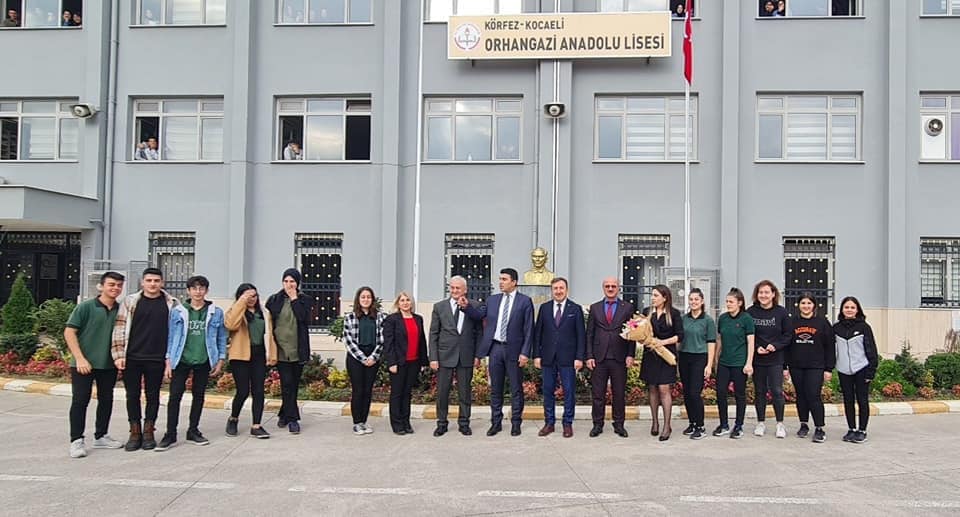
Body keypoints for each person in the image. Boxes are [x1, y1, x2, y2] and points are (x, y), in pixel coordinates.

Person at [112, 267, 180, 451]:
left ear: (162, 283)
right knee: (132, 395)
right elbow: (120, 328)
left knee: (153, 395)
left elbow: (176, 334)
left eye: (156, 281)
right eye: (149, 280)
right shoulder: (130, 301)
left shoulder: (172, 303)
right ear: (142, 282)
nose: (153, 284)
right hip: (132, 357)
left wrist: (170, 360)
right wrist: (119, 355)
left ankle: (149, 431)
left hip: (157, 358)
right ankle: (134, 432)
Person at [156, 275, 227, 451]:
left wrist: (220, 359)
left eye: (201, 288)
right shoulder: (178, 311)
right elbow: (171, 336)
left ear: (206, 291)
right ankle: (170, 433)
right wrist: (168, 361)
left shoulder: (215, 312)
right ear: (188, 291)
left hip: (204, 359)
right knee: (175, 396)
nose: (198, 292)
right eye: (194, 288)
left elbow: (221, 337)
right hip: (182, 359)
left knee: (199, 395)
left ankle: (193, 430)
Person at [463, 268, 534, 437]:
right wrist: (466, 307)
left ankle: (516, 423)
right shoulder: (493, 300)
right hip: (495, 348)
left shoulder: (524, 301)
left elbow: (529, 328)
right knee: (496, 388)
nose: (501, 282)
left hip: (514, 350)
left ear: (514, 282)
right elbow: (479, 315)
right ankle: (496, 423)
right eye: (500, 279)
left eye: (504, 279)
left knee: (516, 389)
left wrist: (525, 352)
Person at [65, 271, 126, 458]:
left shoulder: (121, 310)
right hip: (83, 363)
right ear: (101, 286)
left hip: (108, 364)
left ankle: (101, 436)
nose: (115, 288)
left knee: (106, 400)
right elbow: (69, 332)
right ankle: (76, 440)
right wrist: (80, 358)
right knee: (80, 400)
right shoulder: (86, 307)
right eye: (111, 284)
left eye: (119, 285)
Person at [428, 275, 481, 437]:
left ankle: (464, 423)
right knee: (442, 392)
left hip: (466, 356)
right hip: (445, 356)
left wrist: (478, 355)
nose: (454, 290)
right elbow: (433, 333)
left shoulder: (474, 306)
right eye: (452, 287)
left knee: (464, 392)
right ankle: (441, 423)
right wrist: (433, 357)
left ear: (465, 290)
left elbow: (479, 333)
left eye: (458, 288)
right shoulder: (439, 307)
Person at [532, 277, 585, 438]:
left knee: (569, 391)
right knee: (548, 391)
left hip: (568, 358)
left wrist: (579, 357)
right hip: (548, 357)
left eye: (561, 288)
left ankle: (567, 424)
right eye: (555, 288)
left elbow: (581, 335)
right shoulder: (544, 308)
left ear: (566, 290)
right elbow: (538, 333)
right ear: (552, 290)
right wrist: (536, 355)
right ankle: (549, 423)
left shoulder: (575, 309)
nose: (558, 291)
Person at [265, 268, 314, 434]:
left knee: (293, 385)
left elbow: (303, 318)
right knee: (286, 383)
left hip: (298, 349)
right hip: (280, 349)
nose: (289, 284)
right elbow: (270, 322)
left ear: (297, 283)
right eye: (286, 281)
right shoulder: (274, 299)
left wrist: (294, 299)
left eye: (292, 281)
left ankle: (284, 413)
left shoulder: (305, 300)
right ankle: (293, 419)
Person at [585, 277, 636, 438]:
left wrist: (630, 354)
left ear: (618, 288)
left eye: (613, 286)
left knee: (619, 394)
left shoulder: (627, 307)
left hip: (619, 357)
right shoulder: (595, 308)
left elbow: (632, 333)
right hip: (599, 358)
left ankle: (619, 424)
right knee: (598, 394)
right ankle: (597, 424)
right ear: (603, 288)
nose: (610, 288)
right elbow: (589, 334)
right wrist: (589, 356)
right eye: (607, 286)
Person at [224, 283, 276, 438]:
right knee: (243, 391)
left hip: (258, 354)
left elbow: (271, 335)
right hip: (240, 355)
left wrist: (272, 354)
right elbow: (231, 325)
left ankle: (256, 425)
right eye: (247, 296)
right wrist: (241, 303)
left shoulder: (264, 313)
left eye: (254, 295)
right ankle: (233, 419)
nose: (251, 299)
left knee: (258, 391)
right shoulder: (235, 311)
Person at [786, 293, 835, 443]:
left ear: (814, 305)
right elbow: (786, 345)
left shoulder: (822, 322)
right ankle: (804, 424)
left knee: (813, 396)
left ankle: (819, 428)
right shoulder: (792, 322)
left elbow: (830, 347)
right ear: (798, 305)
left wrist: (829, 368)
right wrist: (784, 366)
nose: (806, 306)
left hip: (816, 366)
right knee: (801, 396)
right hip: (796, 366)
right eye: (803, 303)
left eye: (809, 303)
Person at [747, 280, 791, 439]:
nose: (763, 295)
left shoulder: (781, 312)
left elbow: (788, 335)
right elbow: (748, 334)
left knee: (777, 391)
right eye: (760, 292)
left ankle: (780, 424)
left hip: (776, 359)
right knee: (760, 391)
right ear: (756, 295)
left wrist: (775, 346)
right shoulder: (750, 312)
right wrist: (757, 347)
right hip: (758, 359)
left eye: (767, 292)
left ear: (773, 294)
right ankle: (760, 423)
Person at [641, 285, 684, 441]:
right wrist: (641, 339)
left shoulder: (674, 313)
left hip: (666, 356)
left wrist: (662, 342)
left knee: (664, 389)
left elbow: (680, 336)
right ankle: (655, 422)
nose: (653, 298)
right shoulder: (647, 312)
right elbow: (641, 332)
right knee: (652, 388)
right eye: (652, 295)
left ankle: (667, 426)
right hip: (651, 356)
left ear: (664, 298)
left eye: (656, 295)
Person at [833, 296, 878, 444]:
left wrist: (871, 370)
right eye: (846, 307)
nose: (849, 310)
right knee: (848, 400)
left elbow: (871, 349)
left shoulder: (864, 327)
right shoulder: (836, 328)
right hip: (843, 370)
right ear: (842, 310)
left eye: (852, 307)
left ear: (857, 310)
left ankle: (862, 430)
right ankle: (851, 429)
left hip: (861, 369)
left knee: (862, 400)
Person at [383, 292, 428, 435]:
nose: (405, 303)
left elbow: (422, 341)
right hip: (398, 362)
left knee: (407, 393)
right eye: (402, 300)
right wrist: (391, 362)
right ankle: (397, 424)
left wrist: (423, 361)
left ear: (411, 302)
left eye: (408, 300)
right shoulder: (392, 319)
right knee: (397, 393)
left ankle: (406, 422)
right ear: (398, 303)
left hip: (413, 362)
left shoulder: (418, 318)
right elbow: (388, 343)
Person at [342, 286, 386, 435]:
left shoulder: (380, 317)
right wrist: (363, 358)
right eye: (363, 297)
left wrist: (373, 357)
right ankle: (357, 422)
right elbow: (348, 341)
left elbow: (382, 340)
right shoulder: (350, 317)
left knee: (368, 390)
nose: (366, 299)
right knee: (358, 390)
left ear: (372, 299)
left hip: (373, 357)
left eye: (368, 297)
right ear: (358, 299)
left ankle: (364, 421)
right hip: (355, 358)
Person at [713, 288, 755, 439]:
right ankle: (724, 424)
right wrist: (716, 358)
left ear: (740, 303)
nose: (728, 304)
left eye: (731, 301)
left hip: (739, 363)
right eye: (727, 301)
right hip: (724, 362)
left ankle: (738, 425)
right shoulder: (723, 318)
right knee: (720, 392)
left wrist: (749, 363)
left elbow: (751, 342)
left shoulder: (746, 319)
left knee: (739, 394)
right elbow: (719, 339)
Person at [679, 287, 716, 440]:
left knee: (695, 393)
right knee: (687, 393)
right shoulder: (684, 319)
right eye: (691, 299)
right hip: (684, 357)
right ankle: (692, 422)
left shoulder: (708, 320)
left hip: (700, 358)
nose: (693, 302)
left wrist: (709, 365)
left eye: (696, 299)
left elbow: (711, 343)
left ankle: (700, 426)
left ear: (702, 301)